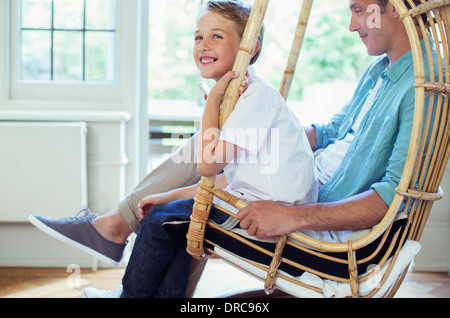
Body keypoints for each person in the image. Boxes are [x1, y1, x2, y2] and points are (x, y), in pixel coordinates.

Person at [30, 0, 432, 297]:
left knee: (170, 216)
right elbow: (333, 131)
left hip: (314, 213)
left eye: (361, 10)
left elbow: (392, 197)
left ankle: (117, 227)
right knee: (185, 197)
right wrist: (273, 133)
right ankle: (120, 224)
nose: (351, 25)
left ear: (396, 8)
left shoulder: (421, 90)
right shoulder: (379, 70)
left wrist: (291, 212)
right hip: (298, 180)